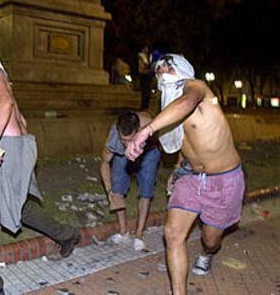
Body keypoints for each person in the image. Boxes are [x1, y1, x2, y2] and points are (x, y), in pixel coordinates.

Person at [0, 35, 81, 295]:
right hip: (14, 146)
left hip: (1, 148)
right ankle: (67, 235)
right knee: (17, 207)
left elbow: (6, 103)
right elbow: (19, 116)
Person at [125, 54, 245, 295]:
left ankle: (207, 253)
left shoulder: (196, 88)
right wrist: (179, 167)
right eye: (158, 68)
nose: (161, 70)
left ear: (183, 70)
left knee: (210, 240)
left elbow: (187, 103)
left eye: (168, 66)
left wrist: (147, 131)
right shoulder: (168, 104)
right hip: (190, 177)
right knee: (172, 234)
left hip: (222, 180)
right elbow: (184, 140)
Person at [100, 110, 161, 251]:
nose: (127, 144)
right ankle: (123, 231)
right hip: (121, 155)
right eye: (123, 140)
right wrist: (109, 189)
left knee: (146, 191)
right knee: (117, 188)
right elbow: (104, 162)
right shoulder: (114, 137)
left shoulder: (149, 123)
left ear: (139, 131)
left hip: (148, 152)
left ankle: (139, 234)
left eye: (130, 140)